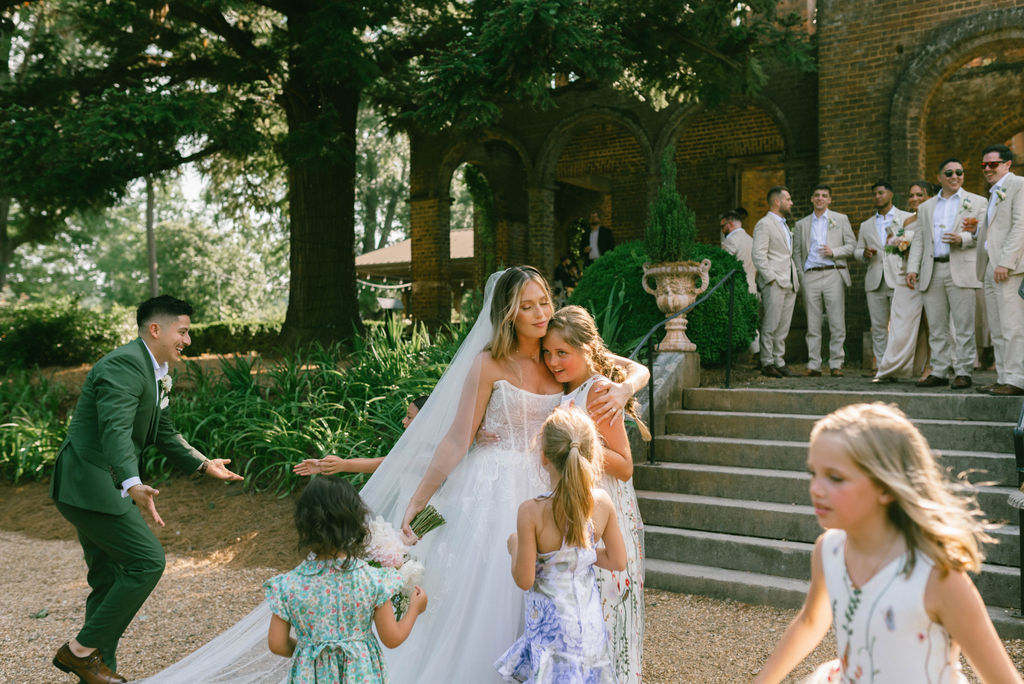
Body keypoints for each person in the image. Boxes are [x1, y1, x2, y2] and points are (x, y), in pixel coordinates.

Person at [133, 267, 647, 684]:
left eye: (544, 302)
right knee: (486, 587)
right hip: (490, 491)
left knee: (546, 584)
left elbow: (615, 364)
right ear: (508, 312)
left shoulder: (559, 356)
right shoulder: (490, 364)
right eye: (529, 305)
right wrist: (420, 498)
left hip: (548, 487)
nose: (541, 313)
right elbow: (454, 439)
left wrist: (628, 389)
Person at [49, 295, 243, 684]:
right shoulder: (123, 365)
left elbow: (165, 433)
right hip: (89, 482)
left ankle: (99, 671)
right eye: (183, 331)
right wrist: (132, 481)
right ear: (156, 329)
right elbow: (116, 430)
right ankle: (79, 652)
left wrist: (204, 464)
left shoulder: (158, 369)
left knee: (107, 577)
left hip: (96, 484)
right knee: (147, 561)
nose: (187, 340)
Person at [753, 403, 1021, 684]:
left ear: (885, 487)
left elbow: (1003, 680)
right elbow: (810, 621)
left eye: (835, 477)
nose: (816, 489)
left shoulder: (938, 575)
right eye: (813, 473)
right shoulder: (828, 550)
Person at [544, 305, 649, 683]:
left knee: (604, 608)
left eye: (562, 353)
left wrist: (575, 447)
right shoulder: (569, 387)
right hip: (572, 507)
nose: (553, 361)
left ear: (586, 349)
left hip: (602, 511)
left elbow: (625, 464)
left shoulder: (599, 392)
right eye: (548, 353)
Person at [494, 406, 626, 683]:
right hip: (588, 626)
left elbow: (524, 578)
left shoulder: (531, 511)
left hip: (552, 632)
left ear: (543, 456)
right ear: (592, 454)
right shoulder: (601, 502)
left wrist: (514, 546)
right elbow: (617, 561)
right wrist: (582, 555)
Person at [263, 477, 427, 683]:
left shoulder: (288, 585)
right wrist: (415, 609)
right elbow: (392, 638)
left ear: (304, 526)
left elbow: (277, 644)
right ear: (354, 524)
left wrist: (309, 651)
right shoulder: (372, 580)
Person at [908, 158, 986, 390]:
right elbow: (920, 240)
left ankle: (963, 371)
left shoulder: (977, 202)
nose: (955, 176)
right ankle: (939, 370)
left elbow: (984, 235)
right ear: (940, 176)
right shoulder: (927, 207)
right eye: (949, 173)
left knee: (963, 325)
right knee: (937, 325)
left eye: (959, 172)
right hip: (932, 269)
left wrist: (962, 238)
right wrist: (913, 267)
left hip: (961, 267)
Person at [975, 143, 1024, 396]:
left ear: (1007, 164)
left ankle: (1018, 379)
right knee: (997, 325)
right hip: (990, 267)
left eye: (993, 164)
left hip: (1009, 268)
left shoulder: (1019, 185)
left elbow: (1020, 226)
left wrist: (1006, 261)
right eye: (984, 165)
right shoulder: (993, 192)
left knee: (1013, 325)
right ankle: (1003, 376)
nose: (987, 169)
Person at [793, 184, 856, 377]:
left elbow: (852, 245)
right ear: (812, 199)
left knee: (837, 321)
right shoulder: (801, 224)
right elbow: (796, 253)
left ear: (829, 200)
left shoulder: (840, 219)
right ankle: (814, 364)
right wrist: (802, 277)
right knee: (813, 323)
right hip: (810, 274)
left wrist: (834, 252)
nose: (820, 198)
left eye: (824, 196)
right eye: (817, 195)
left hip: (833, 273)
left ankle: (836, 363)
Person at [874, 181, 933, 382]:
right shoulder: (907, 222)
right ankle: (893, 366)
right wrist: (896, 244)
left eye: (920, 195)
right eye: (911, 195)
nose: (914, 199)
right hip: (907, 276)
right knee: (900, 323)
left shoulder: (933, 218)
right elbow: (895, 249)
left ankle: (931, 366)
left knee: (931, 323)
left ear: (930, 197)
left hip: (928, 274)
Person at [855, 181, 913, 372]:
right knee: (878, 327)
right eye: (874, 194)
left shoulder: (906, 217)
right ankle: (881, 367)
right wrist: (864, 253)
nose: (877, 197)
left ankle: (900, 366)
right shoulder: (866, 225)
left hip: (898, 277)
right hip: (874, 280)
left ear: (891, 194)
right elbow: (857, 250)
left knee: (900, 325)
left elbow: (912, 245)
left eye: (881, 193)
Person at [293, 396, 430, 476]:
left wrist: (344, 465)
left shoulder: (431, 451)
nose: (403, 421)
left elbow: (384, 465)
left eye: (409, 417)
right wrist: (325, 465)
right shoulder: (419, 445)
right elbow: (383, 460)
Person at [752, 186, 800, 377]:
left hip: (789, 281)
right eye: (788, 199)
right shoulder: (764, 224)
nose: (791, 203)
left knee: (783, 327)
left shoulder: (785, 225)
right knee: (770, 325)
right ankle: (767, 362)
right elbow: (758, 255)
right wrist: (770, 278)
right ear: (777, 201)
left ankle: (779, 361)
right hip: (775, 282)